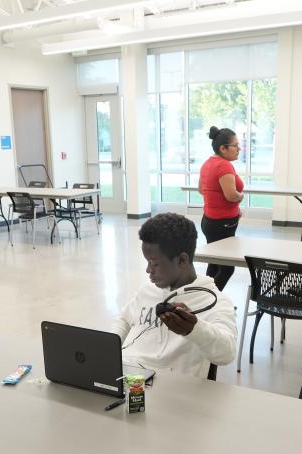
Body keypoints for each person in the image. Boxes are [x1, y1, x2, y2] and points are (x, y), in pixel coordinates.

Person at [111, 213, 237, 378]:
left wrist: (195, 329)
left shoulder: (215, 302)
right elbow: (124, 318)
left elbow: (227, 353)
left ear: (182, 260)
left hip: (170, 389)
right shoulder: (148, 290)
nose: (148, 270)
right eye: (147, 262)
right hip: (130, 378)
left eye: (154, 263)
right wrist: (110, 348)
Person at [197, 126, 244, 291]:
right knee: (227, 268)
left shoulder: (207, 164)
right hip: (222, 224)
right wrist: (240, 197)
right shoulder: (224, 166)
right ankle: (210, 301)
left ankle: (205, 301)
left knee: (215, 263)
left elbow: (201, 189)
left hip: (209, 221)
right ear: (223, 148)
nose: (239, 149)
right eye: (236, 145)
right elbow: (231, 195)